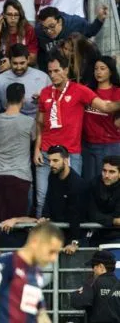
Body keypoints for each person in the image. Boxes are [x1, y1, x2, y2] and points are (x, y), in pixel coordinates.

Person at [35, 54, 120, 215]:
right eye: (50, 72)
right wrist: (36, 149)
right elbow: (39, 123)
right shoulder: (45, 92)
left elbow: (105, 107)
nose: (52, 75)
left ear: (66, 70)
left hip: (71, 153)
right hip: (46, 152)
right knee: (41, 197)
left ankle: (72, 235)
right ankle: (42, 236)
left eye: (56, 71)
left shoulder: (80, 90)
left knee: (73, 196)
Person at [0, 83, 35, 228]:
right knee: (17, 227)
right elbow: (36, 140)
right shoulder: (29, 122)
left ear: (5, 99)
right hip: (20, 178)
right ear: (23, 98)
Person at [35, 6, 106, 72]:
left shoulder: (75, 23)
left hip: (77, 67)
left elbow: (91, 31)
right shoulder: (39, 31)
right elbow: (41, 55)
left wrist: (99, 20)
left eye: (52, 26)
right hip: (55, 70)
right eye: (45, 28)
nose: (49, 31)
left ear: (59, 21)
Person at [0, 44, 49, 117]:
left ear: (28, 60)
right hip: (9, 122)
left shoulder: (43, 77)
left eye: (22, 63)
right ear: (9, 61)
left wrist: (42, 100)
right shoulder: (0, 79)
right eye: (15, 63)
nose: (19, 67)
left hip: (35, 121)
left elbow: (52, 102)